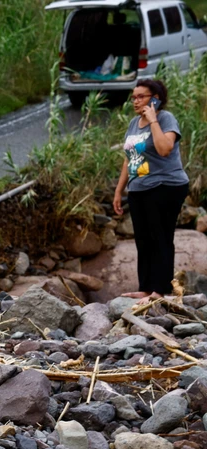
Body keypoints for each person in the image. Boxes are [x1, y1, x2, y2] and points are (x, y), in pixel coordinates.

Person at [112, 79, 189, 302]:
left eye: (141, 97)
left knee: (160, 237)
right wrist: (119, 190)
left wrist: (153, 120)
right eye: (133, 97)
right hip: (138, 187)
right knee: (143, 239)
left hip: (166, 185)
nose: (135, 101)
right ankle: (146, 288)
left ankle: (160, 289)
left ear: (155, 99)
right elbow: (129, 158)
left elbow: (165, 149)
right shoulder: (133, 123)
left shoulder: (165, 119)